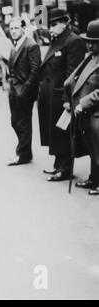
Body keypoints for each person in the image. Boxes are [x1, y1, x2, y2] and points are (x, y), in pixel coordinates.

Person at [37, 8, 86, 182]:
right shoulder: (58, 39)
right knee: (55, 133)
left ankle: (65, 169)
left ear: (65, 23)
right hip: (51, 94)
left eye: (54, 24)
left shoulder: (73, 41)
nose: (50, 28)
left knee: (63, 133)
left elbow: (73, 74)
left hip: (62, 96)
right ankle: (58, 164)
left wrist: (68, 99)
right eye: (49, 24)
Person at [64, 19, 99, 196]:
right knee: (92, 148)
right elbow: (73, 79)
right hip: (85, 112)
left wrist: (84, 103)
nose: (89, 45)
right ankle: (94, 178)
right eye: (88, 41)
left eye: (94, 43)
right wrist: (68, 97)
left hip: (96, 112)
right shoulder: (89, 59)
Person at [7, 17, 41, 166]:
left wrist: (25, 90)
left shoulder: (31, 45)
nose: (13, 31)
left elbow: (35, 71)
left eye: (16, 28)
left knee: (24, 122)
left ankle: (22, 154)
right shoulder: (14, 46)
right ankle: (25, 152)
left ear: (23, 29)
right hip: (13, 89)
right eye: (11, 28)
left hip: (24, 91)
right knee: (15, 122)